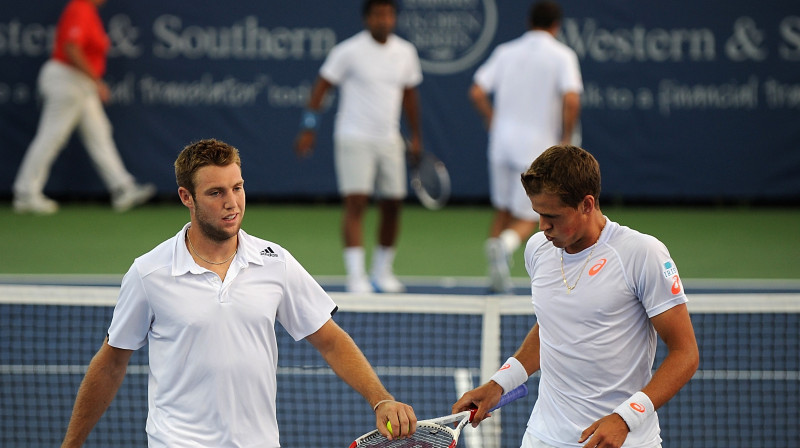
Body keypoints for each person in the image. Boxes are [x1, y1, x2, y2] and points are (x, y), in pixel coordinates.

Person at [60, 138, 417, 447]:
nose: (232, 202)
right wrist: (71, 444)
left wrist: (380, 400)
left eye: (237, 187)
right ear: (187, 197)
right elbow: (111, 362)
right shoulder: (149, 273)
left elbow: (330, 340)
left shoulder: (275, 262)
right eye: (216, 193)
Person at [452, 145, 699, 448]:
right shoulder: (538, 251)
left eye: (552, 216)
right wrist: (500, 383)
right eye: (538, 214)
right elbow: (553, 327)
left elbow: (685, 353)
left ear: (587, 204)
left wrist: (625, 418)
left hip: (622, 440)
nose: (543, 227)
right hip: (542, 437)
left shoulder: (641, 254)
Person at [294, 0, 423, 294]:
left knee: (393, 205)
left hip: (389, 140)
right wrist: (309, 128)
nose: (384, 20)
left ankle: (382, 271)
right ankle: (355, 276)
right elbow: (321, 89)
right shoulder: (347, 51)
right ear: (367, 19)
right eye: (378, 14)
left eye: (389, 14)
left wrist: (416, 136)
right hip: (353, 137)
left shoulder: (406, 53)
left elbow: (410, 97)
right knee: (357, 203)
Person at [469, 0, 583, 293]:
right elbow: (571, 100)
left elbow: (477, 91)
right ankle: (504, 246)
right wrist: (567, 139)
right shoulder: (563, 55)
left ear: (529, 22)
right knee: (530, 216)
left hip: (501, 146)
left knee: (504, 209)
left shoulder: (505, 52)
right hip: (536, 150)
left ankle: (495, 273)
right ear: (556, 26)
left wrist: (493, 121)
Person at [12, 0, 155, 215]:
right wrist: (96, 80)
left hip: (80, 82)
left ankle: (122, 188)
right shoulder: (79, 8)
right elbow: (71, 47)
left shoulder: (88, 11)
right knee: (52, 136)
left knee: (99, 134)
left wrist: (91, 81)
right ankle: (25, 192)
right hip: (67, 80)